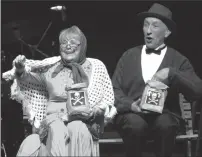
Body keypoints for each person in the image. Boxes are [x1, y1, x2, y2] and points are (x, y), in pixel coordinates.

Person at [2, 25, 117, 156]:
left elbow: (106, 104)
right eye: (63, 42)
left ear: (83, 45)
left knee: (77, 128)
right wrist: (20, 70)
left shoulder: (96, 67)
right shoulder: (50, 68)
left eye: (73, 42)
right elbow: (28, 80)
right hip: (52, 123)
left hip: (82, 125)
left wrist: (94, 112)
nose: (68, 46)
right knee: (34, 140)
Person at [112, 3, 202, 157]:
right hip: (132, 115)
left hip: (165, 115)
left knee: (165, 124)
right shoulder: (128, 56)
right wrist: (130, 105)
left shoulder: (178, 60)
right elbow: (113, 90)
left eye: (155, 26)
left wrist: (171, 73)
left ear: (167, 32)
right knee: (135, 124)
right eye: (146, 25)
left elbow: (197, 91)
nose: (148, 31)